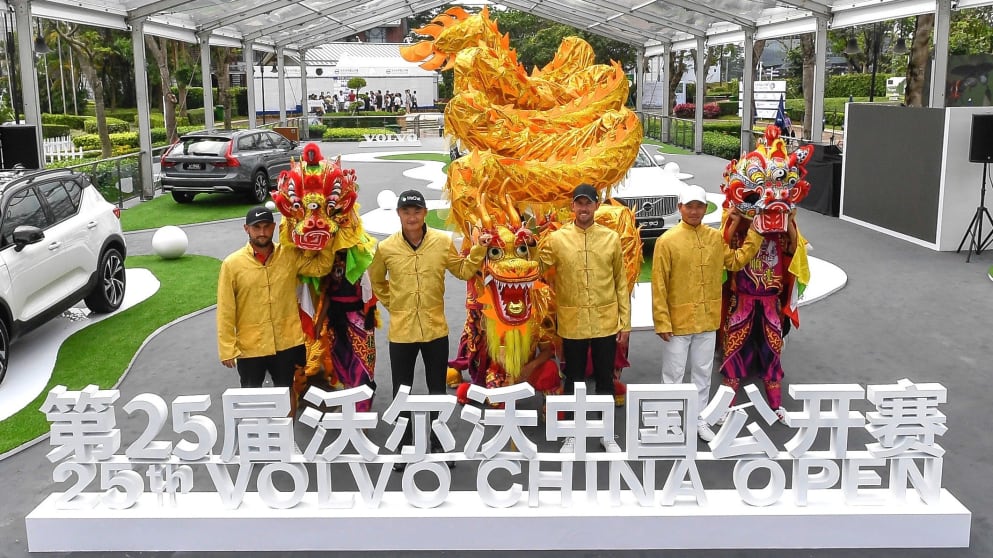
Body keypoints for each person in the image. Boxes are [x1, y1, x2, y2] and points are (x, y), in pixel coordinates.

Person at [368, 189, 486, 471]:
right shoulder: (385, 249)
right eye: (406, 211)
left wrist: (479, 248)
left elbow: (463, 271)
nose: (412, 217)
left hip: (435, 329)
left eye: (417, 211)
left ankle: (439, 440)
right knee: (402, 391)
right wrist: (394, 305)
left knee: (436, 390)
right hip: (402, 331)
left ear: (424, 213)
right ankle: (404, 442)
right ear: (398, 214)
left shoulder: (442, 243)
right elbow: (377, 281)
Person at [651, 185, 762, 442]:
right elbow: (659, 284)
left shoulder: (714, 238)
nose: (694, 211)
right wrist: (661, 320)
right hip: (677, 322)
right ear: (680, 208)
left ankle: (699, 419)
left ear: (704, 208)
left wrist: (755, 235)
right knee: (673, 375)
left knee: (702, 373)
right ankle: (670, 421)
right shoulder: (666, 241)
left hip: (707, 319)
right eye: (689, 206)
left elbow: (734, 261)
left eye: (698, 206)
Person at [538, 184, 630, 453]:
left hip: (605, 320)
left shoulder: (611, 238)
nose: (584, 209)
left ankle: (607, 433)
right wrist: (528, 240)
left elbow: (620, 283)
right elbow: (538, 266)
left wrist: (625, 323)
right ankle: (572, 434)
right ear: (572, 207)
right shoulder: (558, 239)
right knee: (574, 379)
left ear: (596, 205)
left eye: (588, 203)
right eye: (579, 204)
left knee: (605, 379)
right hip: (572, 321)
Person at [217, 207, 336, 389]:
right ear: (246, 228)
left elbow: (320, 268)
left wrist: (326, 238)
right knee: (251, 397)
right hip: (251, 347)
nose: (262, 233)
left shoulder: (289, 254)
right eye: (256, 228)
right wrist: (227, 348)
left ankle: (289, 419)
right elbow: (226, 309)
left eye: (266, 227)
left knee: (287, 392)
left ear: (274, 227)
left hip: (286, 343)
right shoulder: (232, 264)